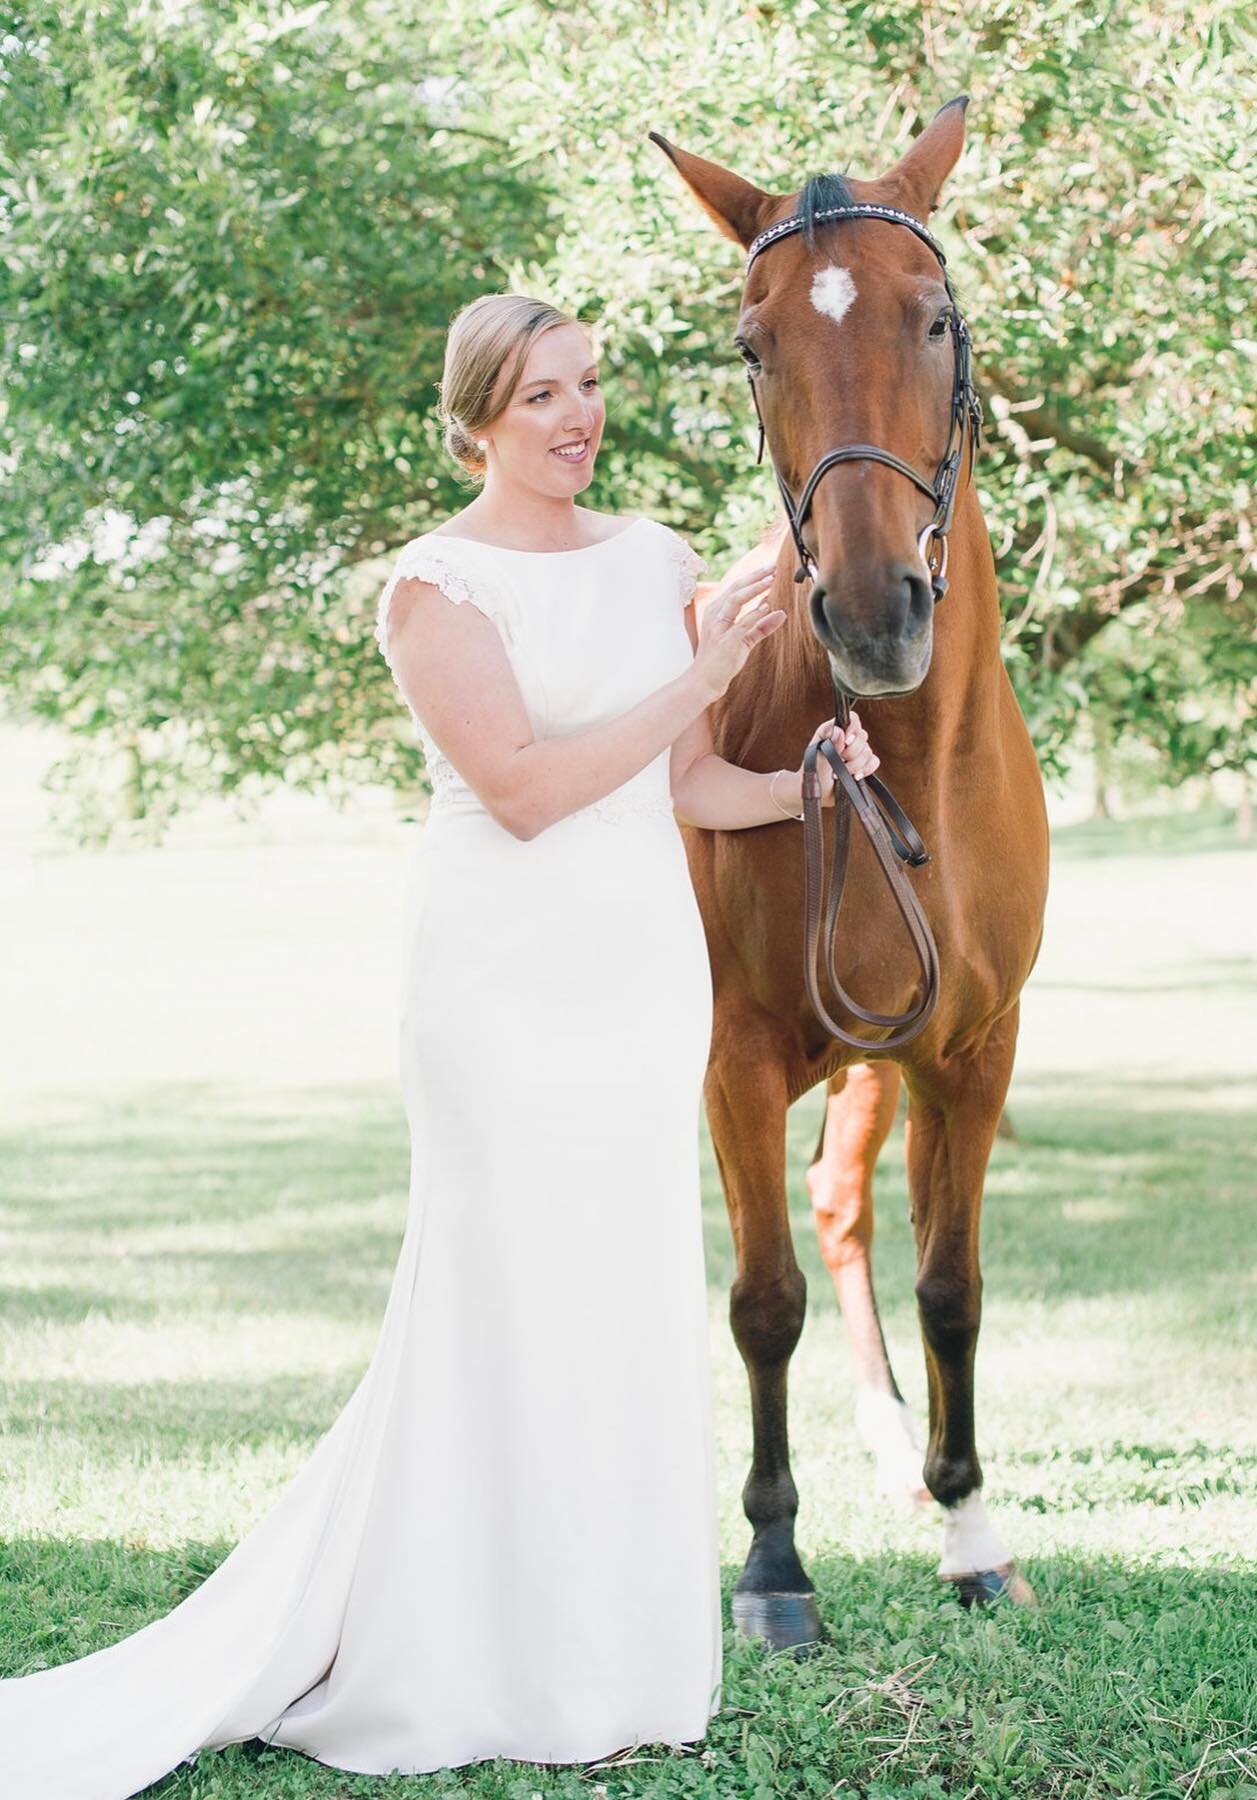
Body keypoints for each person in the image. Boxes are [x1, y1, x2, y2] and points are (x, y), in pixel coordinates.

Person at [0, 293, 877, 1797]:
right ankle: (456, 1650)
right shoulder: (433, 590)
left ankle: (612, 1660)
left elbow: (685, 786)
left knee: (613, 1301)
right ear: (476, 419)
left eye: (588, 384)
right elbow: (530, 793)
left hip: (638, 981)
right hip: (499, 986)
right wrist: (705, 671)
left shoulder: (656, 557)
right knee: (500, 1302)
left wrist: (808, 779)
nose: (577, 415)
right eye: (540, 394)